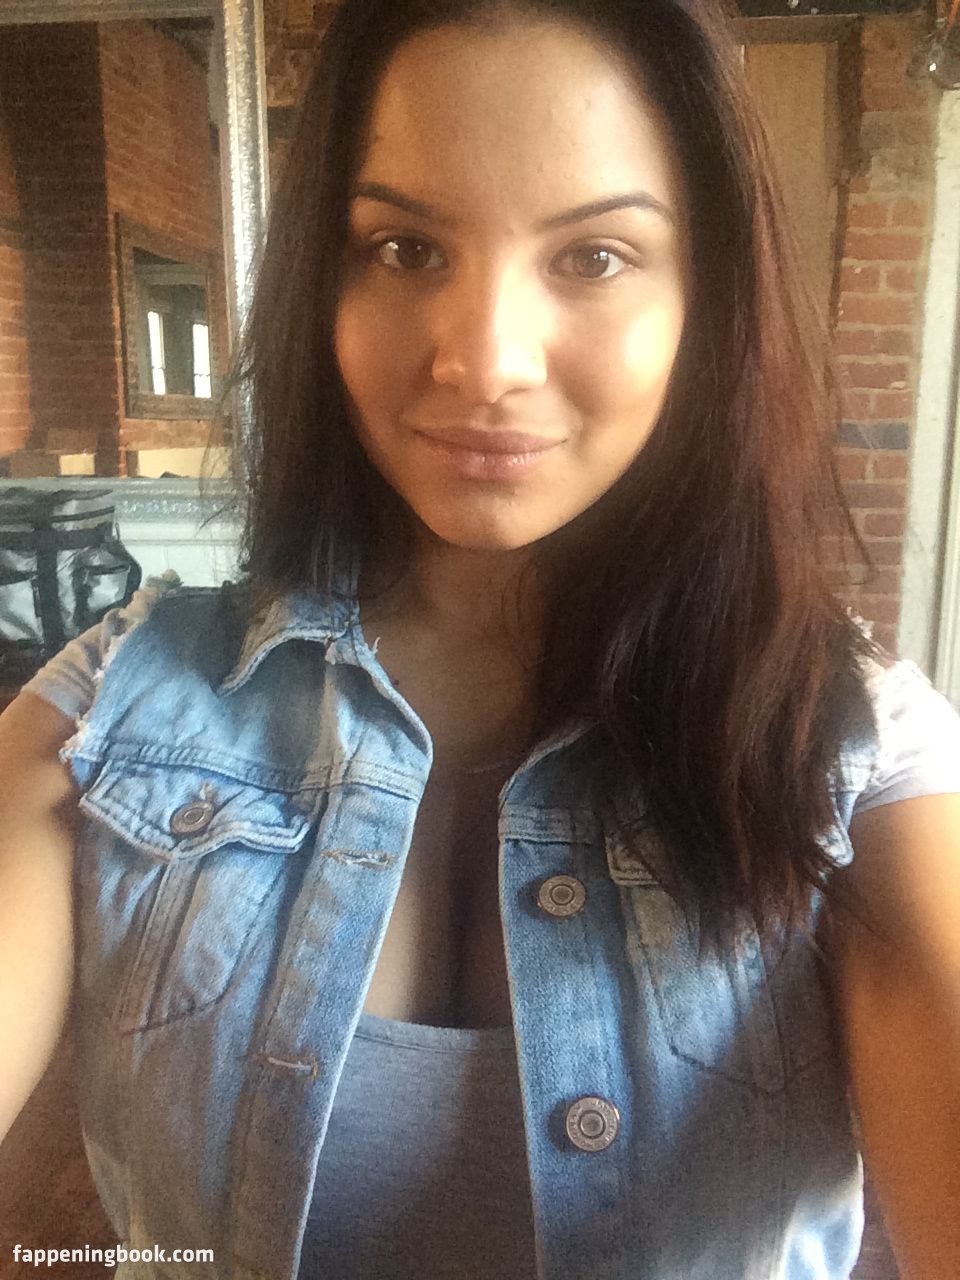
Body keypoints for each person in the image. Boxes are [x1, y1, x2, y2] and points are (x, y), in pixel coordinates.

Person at [1, 0, 959, 1276]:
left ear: (707, 298)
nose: (486, 359)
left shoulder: (849, 755)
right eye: (404, 248)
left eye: (595, 255)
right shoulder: (120, 710)